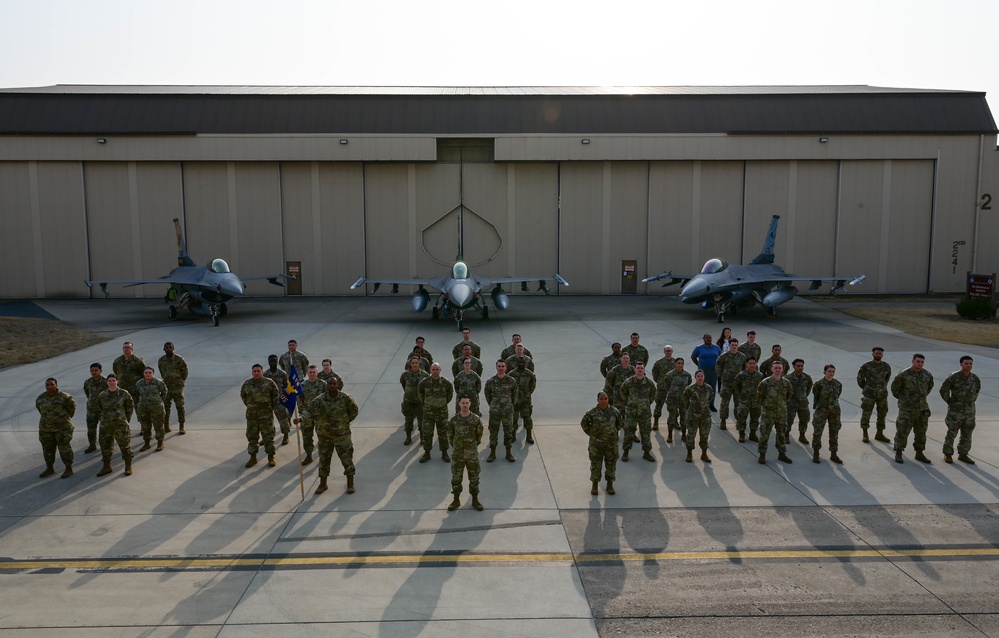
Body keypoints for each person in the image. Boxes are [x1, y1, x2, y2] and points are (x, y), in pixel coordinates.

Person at [308, 377, 359, 495]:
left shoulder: (346, 398)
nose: (331, 385)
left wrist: (344, 422)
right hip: (325, 436)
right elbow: (310, 411)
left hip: (342, 436)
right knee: (324, 459)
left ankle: (350, 483)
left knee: (346, 458)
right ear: (327, 385)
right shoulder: (320, 399)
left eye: (334, 383)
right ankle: (323, 483)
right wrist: (299, 419)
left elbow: (354, 411)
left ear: (338, 385)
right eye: (330, 383)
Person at [891, 354, 934, 464]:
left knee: (921, 433)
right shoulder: (903, 374)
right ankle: (899, 452)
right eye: (918, 361)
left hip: (922, 409)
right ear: (913, 361)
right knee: (902, 431)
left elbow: (929, 388)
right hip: (907, 409)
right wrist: (905, 400)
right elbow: (895, 390)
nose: (920, 364)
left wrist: (920, 399)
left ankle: (919, 453)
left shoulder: (927, 375)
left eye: (922, 362)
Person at [580, 391, 624, 495]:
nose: (603, 401)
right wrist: (592, 434)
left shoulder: (614, 412)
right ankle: (594, 485)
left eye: (605, 399)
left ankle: (610, 485)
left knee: (611, 464)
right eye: (601, 399)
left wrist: (612, 433)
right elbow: (584, 424)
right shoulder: (591, 413)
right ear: (598, 400)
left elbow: (620, 423)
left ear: (608, 399)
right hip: (596, 445)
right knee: (596, 464)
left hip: (611, 444)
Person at [939, 356, 981, 464]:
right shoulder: (954, 377)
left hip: (969, 411)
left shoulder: (975, 378)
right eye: (966, 363)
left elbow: (977, 391)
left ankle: (963, 454)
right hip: (955, 411)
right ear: (961, 364)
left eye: (970, 364)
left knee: (967, 434)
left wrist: (971, 401)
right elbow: (943, 390)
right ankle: (947, 453)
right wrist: (950, 402)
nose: (968, 366)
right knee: (952, 432)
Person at [446, 395, 484, 511]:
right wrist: (458, 447)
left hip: (472, 454)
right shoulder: (453, 421)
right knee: (456, 478)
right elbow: (450, 436)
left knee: (474, 477)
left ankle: (475, 499)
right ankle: (456, 500)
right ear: (459, 404)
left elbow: (479, 436)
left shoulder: (476, 419)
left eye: (467, 403)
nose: (465, 405)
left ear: (470, 404)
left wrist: (472, 446)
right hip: (458, 455)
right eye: (463, 403)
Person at [240, 363, 280, 468]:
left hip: (266, 416)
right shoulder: (247, 384)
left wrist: (269, 407)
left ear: (262, 372)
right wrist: (251, 406)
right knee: (252, 437)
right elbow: (243, 396)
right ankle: (253, 457)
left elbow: (275, 395)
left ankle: (271, 457)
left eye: (258, 371)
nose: (256, 373)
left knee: (268, 437)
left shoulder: (269, 383)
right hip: (252, 417)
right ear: (252, 372)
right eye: (255, 371)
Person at [36, 377, 76, 479]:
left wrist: (63, 420)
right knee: (47, 450)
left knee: (64, 448)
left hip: (62, 429)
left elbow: (71, 410)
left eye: (52, 384)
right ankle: (50, 468)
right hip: (46, 429)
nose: (49, 387)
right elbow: (40, 410)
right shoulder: (40, 398)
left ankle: (68, 468)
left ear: (56, 385)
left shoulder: (65, 397)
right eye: (47, 385)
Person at [96, 374, 135, 477]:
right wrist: (103, 420)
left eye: (113, 380)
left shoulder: (124, 394)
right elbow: (98, 408)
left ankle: (128, 466)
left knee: (124, 445)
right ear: (107, 382)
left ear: (117, 381)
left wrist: (125, 419)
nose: (111, 382)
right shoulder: (102, 395)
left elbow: (130, 407)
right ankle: (106, 466)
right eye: (109, 381)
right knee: (105, 445)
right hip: (106, 425)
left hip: (120, 424)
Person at [756, 361, 793, 464]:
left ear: (783, 370)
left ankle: (782, 454)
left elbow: (789, 395)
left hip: (781, 413)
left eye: (779, 368)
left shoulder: (786, 383)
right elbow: (759, 397)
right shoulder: (765, 382)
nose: (777, 370)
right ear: (771, 369)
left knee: (781, 434)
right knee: (764, 434)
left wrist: (782, 405)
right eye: (775, 368)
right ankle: (762, 454)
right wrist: (766, 407)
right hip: (768, 414)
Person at [620, 361, 657, 462]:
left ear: (644, 370)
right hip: (631, 413)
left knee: (645, 433)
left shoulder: (649, 383)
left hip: (644, 413)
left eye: (642, 368)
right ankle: (626, 452)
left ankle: (646, 453)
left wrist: (645, 403)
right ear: (635, 369)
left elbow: (653, 395)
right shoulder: (629, 382)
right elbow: (623, 392)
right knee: (629, 432)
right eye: (638, 368)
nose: (640, 370)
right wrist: (629, 402)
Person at [418, 363, 454, 463]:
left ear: (440, 370)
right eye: (433, 369)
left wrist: (443, 402)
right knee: (427, 433)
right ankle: (427, 453)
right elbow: (420, 393)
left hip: (441, 413)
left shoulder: (446, 382)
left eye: (437, 369)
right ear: (430, 370)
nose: (435, 371)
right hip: (428, 413)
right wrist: (426, 403)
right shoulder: (424, 382)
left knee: (443, 433)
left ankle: (444, 453)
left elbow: (450, 394)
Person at [484, 359, 519, 462]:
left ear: (506, 367)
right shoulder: (490, 381)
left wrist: (510, 405)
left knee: (508, 432)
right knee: (493, 432)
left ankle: (508, 452)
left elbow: (515, 394)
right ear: (496, 367)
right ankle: (492, 453)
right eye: (499, 366)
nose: (501, 368)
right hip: (495, 412)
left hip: (507, 412)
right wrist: (493, 405)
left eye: (503, 366)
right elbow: (487, 395)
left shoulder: (511, 381)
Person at [857, 347, 892, 443]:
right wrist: (866, 388)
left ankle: (879, 434)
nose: (878, 355)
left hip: (882, 395)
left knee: (882, 414)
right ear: (872, 354)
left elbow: (887, 378)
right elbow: (860, 379)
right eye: (876, 353)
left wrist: (882, 387)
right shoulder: (866, 366)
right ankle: (865, 433)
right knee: (866, 413)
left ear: (882, 355)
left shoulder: (886, 366)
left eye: (880, 353)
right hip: (869, 394)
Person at [811, 364, 843, 464]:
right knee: (817, 433)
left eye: (833, 371)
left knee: (834, 433)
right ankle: (816, 453)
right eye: (829, 371)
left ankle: (834, 453)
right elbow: (816, 396)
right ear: (824, 372)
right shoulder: (819, 384)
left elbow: (838, 395)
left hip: (834, 411)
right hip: (821, 411)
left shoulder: (838, 384)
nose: (831, 373)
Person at [295, 364, 326, 464]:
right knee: (307, 437)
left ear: (317, 373)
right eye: (310, 372)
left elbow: (328, 398)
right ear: (307, 373)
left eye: (314, 372)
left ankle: (323, 458)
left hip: (319, 416)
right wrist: (303, 412)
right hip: (307, 415)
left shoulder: (323, 384)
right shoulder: (302, 385)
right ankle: (308, 455)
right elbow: (299, 399)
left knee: (322, 437)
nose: (312, 374)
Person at [682, 369, 715, 463]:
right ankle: (689, 453)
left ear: (704, 377)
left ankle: (704, 454)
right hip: (693, 416)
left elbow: (710, 397)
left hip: (705, 416)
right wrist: (691, 408)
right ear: (695, 377)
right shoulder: (690, 388)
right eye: (698, 376)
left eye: (701, 376)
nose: (700, 378)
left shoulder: (708, 388)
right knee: (691, 434)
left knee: (704, 435)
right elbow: (685, 399)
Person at [715, 339, 747, 430]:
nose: (734, 346)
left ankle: (738, 421)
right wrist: (722, 376)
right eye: (732, 345)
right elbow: (718, 366)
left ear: (738, 346)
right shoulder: (723, 356)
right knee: (725, 402)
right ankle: (723, 420)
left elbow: (745, 368)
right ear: (729, 346)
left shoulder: (742, 356)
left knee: (738, 403)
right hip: (727, 383)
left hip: (738, 384)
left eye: (736, 345)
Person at [157, 342, 188, 434]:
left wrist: (180, 380)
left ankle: (181, 426)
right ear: (164, 349)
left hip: (177, 387)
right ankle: (166, 426)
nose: (168, 349)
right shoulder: (161, 360)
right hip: (166, 387)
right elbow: (162, 372)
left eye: (170, 347)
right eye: (166, 348)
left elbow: (185, 371)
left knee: (180, 406)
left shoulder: (179, 359)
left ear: (173, 348)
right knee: (166, 407)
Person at [135, 367, 168, 452]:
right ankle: (147, 443)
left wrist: (158, 401)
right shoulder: (139, 383)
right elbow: (137, 393)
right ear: (143, 373)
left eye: (150, 372)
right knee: (145, 426)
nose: (148, 374)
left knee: (158, 426)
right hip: (143, 408)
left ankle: (160, 443)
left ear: (153, 373)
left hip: (156, 408)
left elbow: (164, 392)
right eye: (146, 372)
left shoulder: (158, 382)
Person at [263, 354, 292, 446]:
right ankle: (268, 437)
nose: (272, 363)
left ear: (277, 362)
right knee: (267, 421)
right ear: (268, 362)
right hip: (268, 401)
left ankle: (286, 436)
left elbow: (287, 387)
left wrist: (286, 399)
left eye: (274, 361)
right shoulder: (265, 374)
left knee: (283, 419)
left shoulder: (282, 374)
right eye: (271, 361)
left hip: (279, 400)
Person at [399, 357, 429, 445]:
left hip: (420, 402)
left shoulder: (424, 374)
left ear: (419, 364)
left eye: (416, 363)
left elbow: (427, 386)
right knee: (408, 420)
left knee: (421, 421)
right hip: (408, 402)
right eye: (413, 363)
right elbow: (403, 384)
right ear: (410, 364)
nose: (415, 364)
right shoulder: (405, 375)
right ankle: (408, 438)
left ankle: (422, 438)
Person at [733, 358, 764, 443]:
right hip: (744, 401)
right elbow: (736, 386)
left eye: (754, 363)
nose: (752, 365)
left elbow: (763, 388)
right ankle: (742, 434)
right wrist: (740, 396)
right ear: (746, 364)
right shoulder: (741, 375)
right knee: (741, 418)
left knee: (755, 418)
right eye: (750, 363)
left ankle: (753, 434)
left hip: (756, 401)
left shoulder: (759, 375)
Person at [663, 358, 692, 444]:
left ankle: (683, 434)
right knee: (672, 417)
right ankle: (670, 435)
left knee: (684, 418)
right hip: (672, 399)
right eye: (678, 363)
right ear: (675, 364)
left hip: (683, 400)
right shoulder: (670, 375)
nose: (680, 365)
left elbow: (689, 386)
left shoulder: (687, 375)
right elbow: (666, 386)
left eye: (682, 363)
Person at [509, 356, 537, 444]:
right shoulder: (511, 374)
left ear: (525, 363)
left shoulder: (529, 374)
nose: (521, 364)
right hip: (515, 400)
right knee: (514, 418)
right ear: (516, 363)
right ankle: (513, 435)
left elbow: (532, 385)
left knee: (527, 417)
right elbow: (508, 386)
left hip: (526, 400)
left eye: (522, 362)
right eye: (519, 362)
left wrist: (528, 393)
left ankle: (529, 436)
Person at [690, 334, 721, 411]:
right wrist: (699, 365)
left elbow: (720, 357)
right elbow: (693, 357)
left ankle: (711, 404)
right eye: (706, 338)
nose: (708, 339)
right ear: (703, 339)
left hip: (714, 370)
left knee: (712, 387)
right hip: (703, 370)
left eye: (710, 337)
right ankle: (702, 404)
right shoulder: (699, 348)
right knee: (702, 387)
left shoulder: (716, 347)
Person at [787, 359, 814, 445]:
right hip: (791, 403)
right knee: (788, 420)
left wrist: (805, 395)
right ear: (794, 366)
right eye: (798, 366)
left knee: (804, 419)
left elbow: (810, 386)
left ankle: (802, 435)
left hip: (803, 403)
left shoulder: (807, 377)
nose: (800, 368)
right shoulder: (788, 378)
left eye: (801, 366)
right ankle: (786, 435)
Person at [82, 362, 108, 453]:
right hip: (91, 409)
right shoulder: (87, 382)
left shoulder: (106, 381)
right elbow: (87, 393)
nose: (94, 372)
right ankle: (92, 445)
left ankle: (105, 446)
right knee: (91, 429)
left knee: (104, 429)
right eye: (92, 370)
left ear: (101, 371)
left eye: (96, 370)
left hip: (103, 410)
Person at [113, 341, 145, 406]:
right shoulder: (117, 361)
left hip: (135, 390)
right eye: (124, 347)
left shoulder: (137, 360)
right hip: (123, 390)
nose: (126, 349)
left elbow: (144, 373)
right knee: (123, 410)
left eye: (128, 347)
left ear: (132, 349)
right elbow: (116, 372)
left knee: (139, 409)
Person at [651, 345, 676, 430]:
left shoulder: (676, 362)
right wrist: (659, 381)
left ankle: (675, 421)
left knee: (674, 406)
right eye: (667, 351)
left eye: (670, 351)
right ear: (664, 352)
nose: (668, 352)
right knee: (659, 404)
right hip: (662, 387)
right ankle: (656, 421)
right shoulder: (659, 362)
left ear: (672, 352)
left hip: (673, 388)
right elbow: (654, 373)